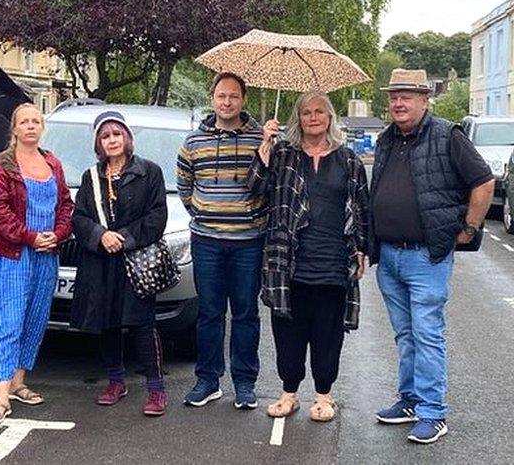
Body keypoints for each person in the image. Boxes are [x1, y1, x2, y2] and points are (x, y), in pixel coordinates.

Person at [370, 68, 494, 444]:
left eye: (407, 95)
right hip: (389, 256)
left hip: (427, 257)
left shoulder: (447, 135)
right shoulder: (387, 139)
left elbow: (484, 181)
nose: (398, 102)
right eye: (394, 95)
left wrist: (469, 228)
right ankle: (409, 400)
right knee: (405, 335)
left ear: (425, 100)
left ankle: (433, 412)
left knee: (427, 334)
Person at [247, 91, 369, 422]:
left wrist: (362, 249)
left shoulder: (349, 160)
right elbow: (254, 190)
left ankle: (324, 396)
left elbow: (361, 208)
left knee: (327, 333)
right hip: (288, 261)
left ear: (330, 117)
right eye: (305, 113)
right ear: (297, 119)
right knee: (288, 331)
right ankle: (289, 394)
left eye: (319, 112)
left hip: (333, 261)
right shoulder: (283, 153)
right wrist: (263, 149)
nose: (312, 117)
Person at [175, 72, 266, 410]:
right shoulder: (193, 141)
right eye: (221, 96)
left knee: (245, 313)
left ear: (243, 100)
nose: (227, 102)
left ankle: (244, 383)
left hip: (248, 241)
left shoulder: (262, 137)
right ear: (213, 99)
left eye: (233, 96)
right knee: (210, 313)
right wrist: (202, 211)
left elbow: (270, 187)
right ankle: (208, 380)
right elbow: (184, 186)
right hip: (207, 241)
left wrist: (269, 147)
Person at [70, 111, 169, 416]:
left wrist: (123, 238)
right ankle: (116, 381)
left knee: (142, 325)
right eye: (105, 136)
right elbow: (79, 218)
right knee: (107, 323)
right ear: (98, 143)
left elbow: (156, 218)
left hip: (134, 261)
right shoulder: (91, 177)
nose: (111, 140)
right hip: (101, 262)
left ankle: (156, 389)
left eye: (117, 134)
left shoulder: (150, 172)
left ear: (127, 138)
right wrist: (100, 235)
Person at [0, 103, 73, 425]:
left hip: (47, 255)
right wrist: (29, 236)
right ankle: (1, 397)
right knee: (9, 321)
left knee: (36, 317)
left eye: (36, 121)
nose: (31, 126)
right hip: (13, 255)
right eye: (25, 122)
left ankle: (20, 381)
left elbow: (65, 205)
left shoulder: (53, 163)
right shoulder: (2, 166)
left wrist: (59, 234)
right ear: (15, 129)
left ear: (41, 127)